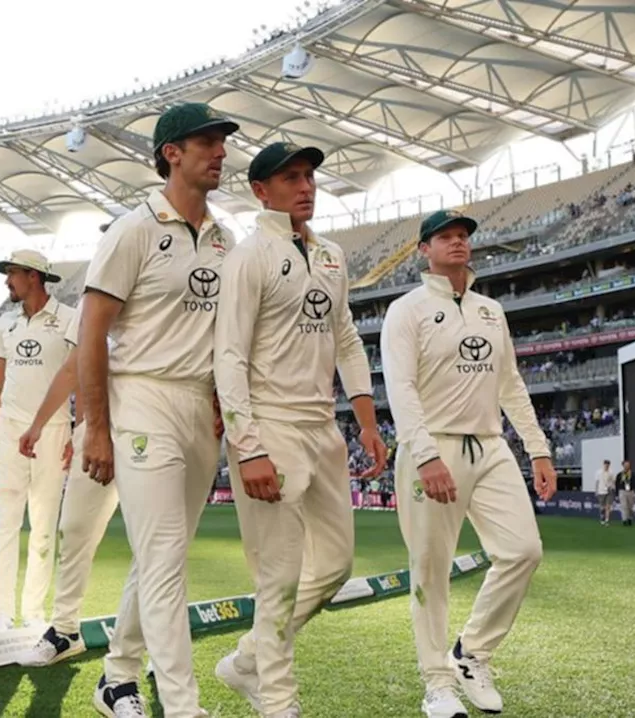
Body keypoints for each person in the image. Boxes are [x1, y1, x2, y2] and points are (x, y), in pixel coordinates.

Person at [212, 142, 388, 718]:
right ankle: (279, 703)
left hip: (324, 427)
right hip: (271, 426)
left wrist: (365, 421)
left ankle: (245, 660)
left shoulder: (332, 255)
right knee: (279, 577)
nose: (306, 186)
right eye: (291, 178)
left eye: (310, 176)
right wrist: (249, 446)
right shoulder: (248, 256)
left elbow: (346, 339)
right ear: (261, 191)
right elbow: (229, 356)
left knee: (334, 566)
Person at [79, 102, 237, 718]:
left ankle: (117, 677)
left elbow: (228, 333)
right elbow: (92, 332)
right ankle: (181, 704)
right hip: (142, 397)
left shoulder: (226, 239)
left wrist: (226, 398)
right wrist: (96, 427)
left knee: (160, 554)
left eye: (222, 143)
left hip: (202, 407)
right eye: (207, 142)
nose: (220, 152)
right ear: (172, 152)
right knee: (166, 555)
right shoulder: (134, 228)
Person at [380, 210, 558, 718]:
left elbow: (511, 385)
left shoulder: (490, 311)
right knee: (430, 570)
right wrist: (426, 453)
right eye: (445, 237)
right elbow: (402, 389)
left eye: (463, 237)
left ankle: (471, 654)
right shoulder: (406, 310)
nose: (457, 243)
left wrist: (538, 448)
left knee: (523, 550)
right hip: (431, 447)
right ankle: (436, 684)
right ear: (424, 249)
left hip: (490, 444)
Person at [0, 249, 76, 631]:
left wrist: (77, 431)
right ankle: (1, 610)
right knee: (6, 523)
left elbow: (81, 374)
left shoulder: (69, 319)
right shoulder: (7, 323)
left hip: (54, 429)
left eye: (11, 273)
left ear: (34, 276)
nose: (6, 281)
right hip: (10, 429)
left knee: (44, 527)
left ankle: (34, 612)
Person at [17, 298, 121, 667]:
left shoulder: (174, 274)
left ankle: (156, 645)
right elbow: (71, 369)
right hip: (97, 429)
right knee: (74, 528)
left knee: (158, 545)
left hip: (157, 424)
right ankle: (65, 630)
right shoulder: (94, 296)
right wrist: (38, 424)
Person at [615, 459, 635, 526]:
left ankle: (630, 518)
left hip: (630, 491)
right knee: (624, 506)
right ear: (623, 465)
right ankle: (624, 520)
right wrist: (617, 494)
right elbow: (617, 484)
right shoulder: (620, 474)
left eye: (628, 465)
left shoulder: (632, 474)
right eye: (625, 465)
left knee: (630, 507)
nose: (627, 466)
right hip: (622, 491)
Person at [595, 459, 615, 526]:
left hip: (609, 491)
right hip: (601, 491)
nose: (607, 466)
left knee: (608, 506)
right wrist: (596, 491)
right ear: (604, 464)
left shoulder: (611, 472)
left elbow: (613, 481)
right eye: (606, 465)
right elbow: (597, 482)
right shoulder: (599, 472)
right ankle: (602, 518)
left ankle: (607, 520)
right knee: (602, 507)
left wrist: (612, 488)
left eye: (608, 465)